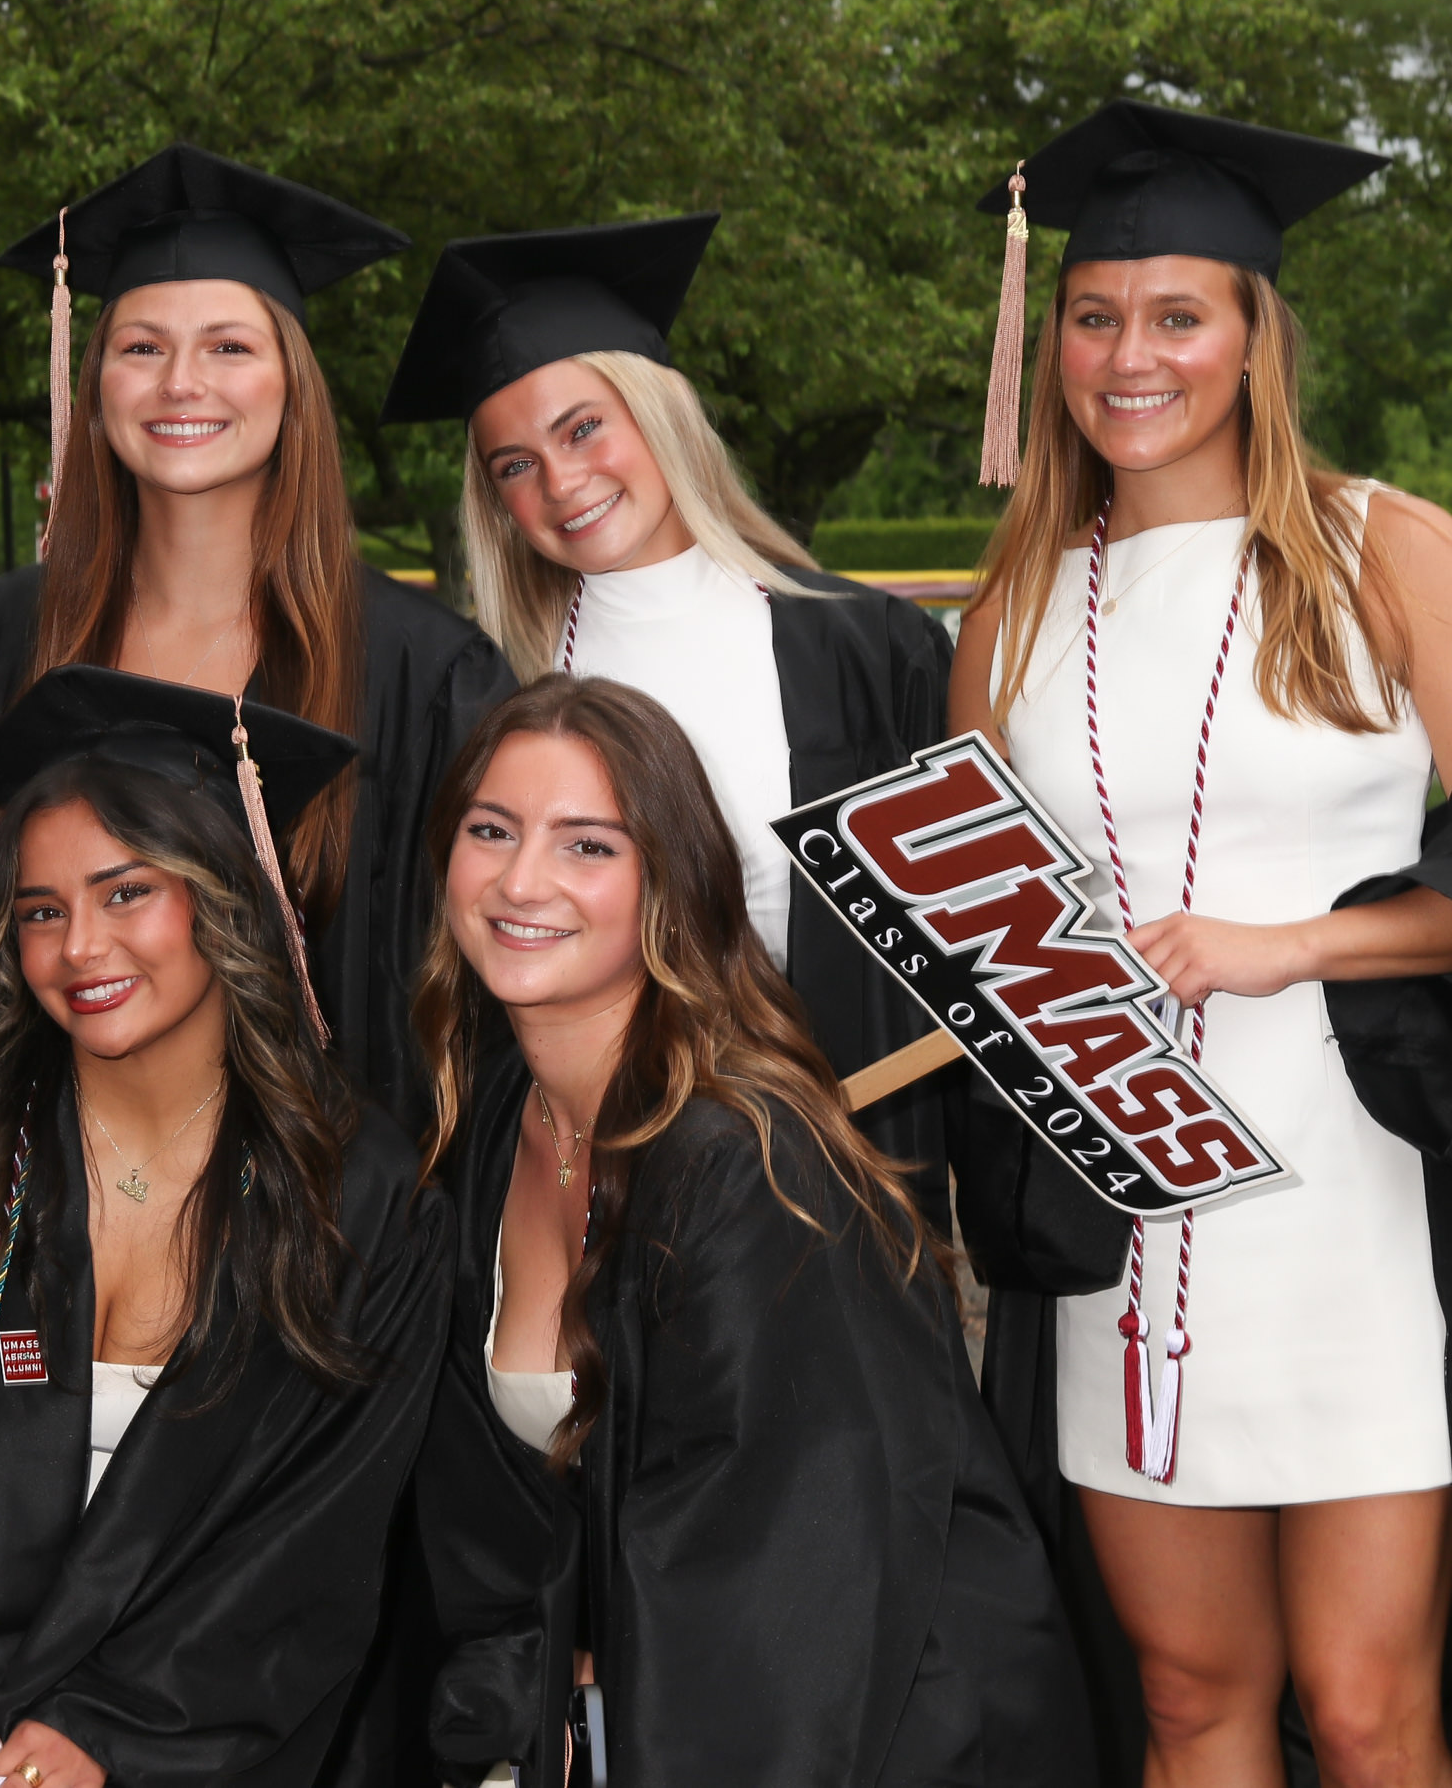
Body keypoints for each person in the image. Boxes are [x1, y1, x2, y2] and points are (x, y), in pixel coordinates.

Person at [948, 102, 1452, 1786]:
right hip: (1132, 1209)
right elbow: (981, 915)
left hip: (1352, 1193)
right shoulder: (1011, 609)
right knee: (1189, 1692)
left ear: (1256, 336)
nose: (1130, 356)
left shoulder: (1384, 549)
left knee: (1371, 1701)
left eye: (1179, 315)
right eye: (1093, 315)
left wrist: (1292, 946)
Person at [0, 668, 453, 1788]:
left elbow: (307, 1536)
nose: (80, 947)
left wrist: (105, 1733)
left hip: (180, 1743)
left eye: (126, 893)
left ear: (222, 893)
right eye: (42, 910)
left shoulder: (354, 1197)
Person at [413, 675, 1091, 1786]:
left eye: (587, 845)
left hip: (875, 1729)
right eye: (491, 830)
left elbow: (789, 1581)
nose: (521, 880)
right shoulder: (497, 1119)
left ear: (669, 880)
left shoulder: (746, 1168)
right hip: (676, 1706)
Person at [379, 216, 966, 1228]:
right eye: (513, 464)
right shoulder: (494, 692)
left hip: (837, 1172)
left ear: (659, 411)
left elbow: (958, 951)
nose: (560, 482)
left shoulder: (870, 654)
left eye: (581, 429)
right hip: (601, 1185)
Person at [0, 144, 515, 1136]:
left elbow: (473, 999)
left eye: (229, 347)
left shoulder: (425, 669)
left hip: (331, 1187)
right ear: (92, 385)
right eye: (141, 349)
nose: (181, 383)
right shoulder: (7, 632)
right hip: (57, 1175)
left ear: (291, 383)